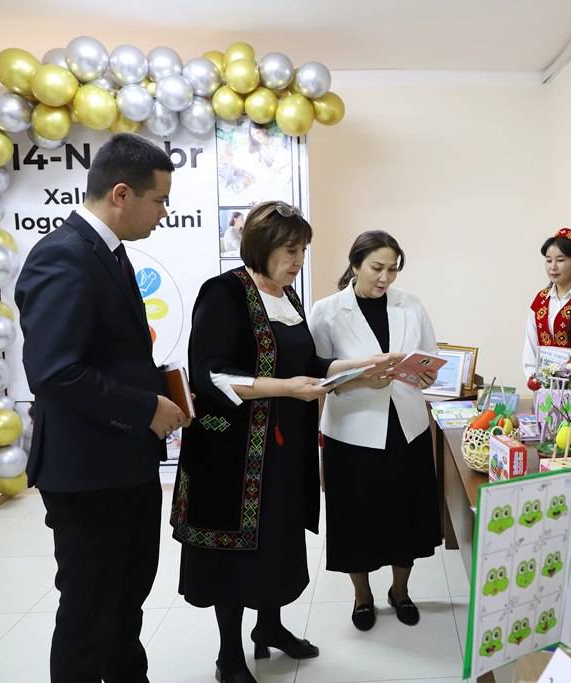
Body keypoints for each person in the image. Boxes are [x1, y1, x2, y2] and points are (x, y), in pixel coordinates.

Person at [170, 201, 392, 683]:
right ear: (262, 245)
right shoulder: (224, 292)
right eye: (291, 250)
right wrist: (287, 389)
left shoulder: (288, 297)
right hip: (232, 452)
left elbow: (308, 366)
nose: (298, 261)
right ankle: (230, 655)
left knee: (276, 538)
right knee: (234, 552)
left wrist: (359, 369)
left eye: (303, 251)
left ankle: (268, 627)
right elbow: (211, 374)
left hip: (282, 447)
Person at [15, 133, 189, 682]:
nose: (164, 213)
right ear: (121, 193)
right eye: (159, 200)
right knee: (89, 609)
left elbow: (109, 355)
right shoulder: (63, 255)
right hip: (87, 472)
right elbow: (54, 372)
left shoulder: (108, 252)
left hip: (122, 463)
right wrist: (144, 408)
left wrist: (163, 389)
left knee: (126, 598)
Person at [309, 230, 443, 631]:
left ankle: (400, 591)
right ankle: (362, 596)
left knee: (407, 514)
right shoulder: (327, 311)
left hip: (406, 427)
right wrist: (362, 376)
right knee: (356, 517)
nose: (385, 278)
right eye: (377, 268)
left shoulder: (410, 305)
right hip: (351, 432)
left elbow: (431, 358)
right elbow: (316, 375)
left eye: (393, 270)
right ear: (355, 265)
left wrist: (425, 374)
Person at [522, 228, 571, 379]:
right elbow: (531, 344)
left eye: (560, 260)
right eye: (549, 260)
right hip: (542, 385)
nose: (553, 267)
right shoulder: (540, 299)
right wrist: (533, 377)